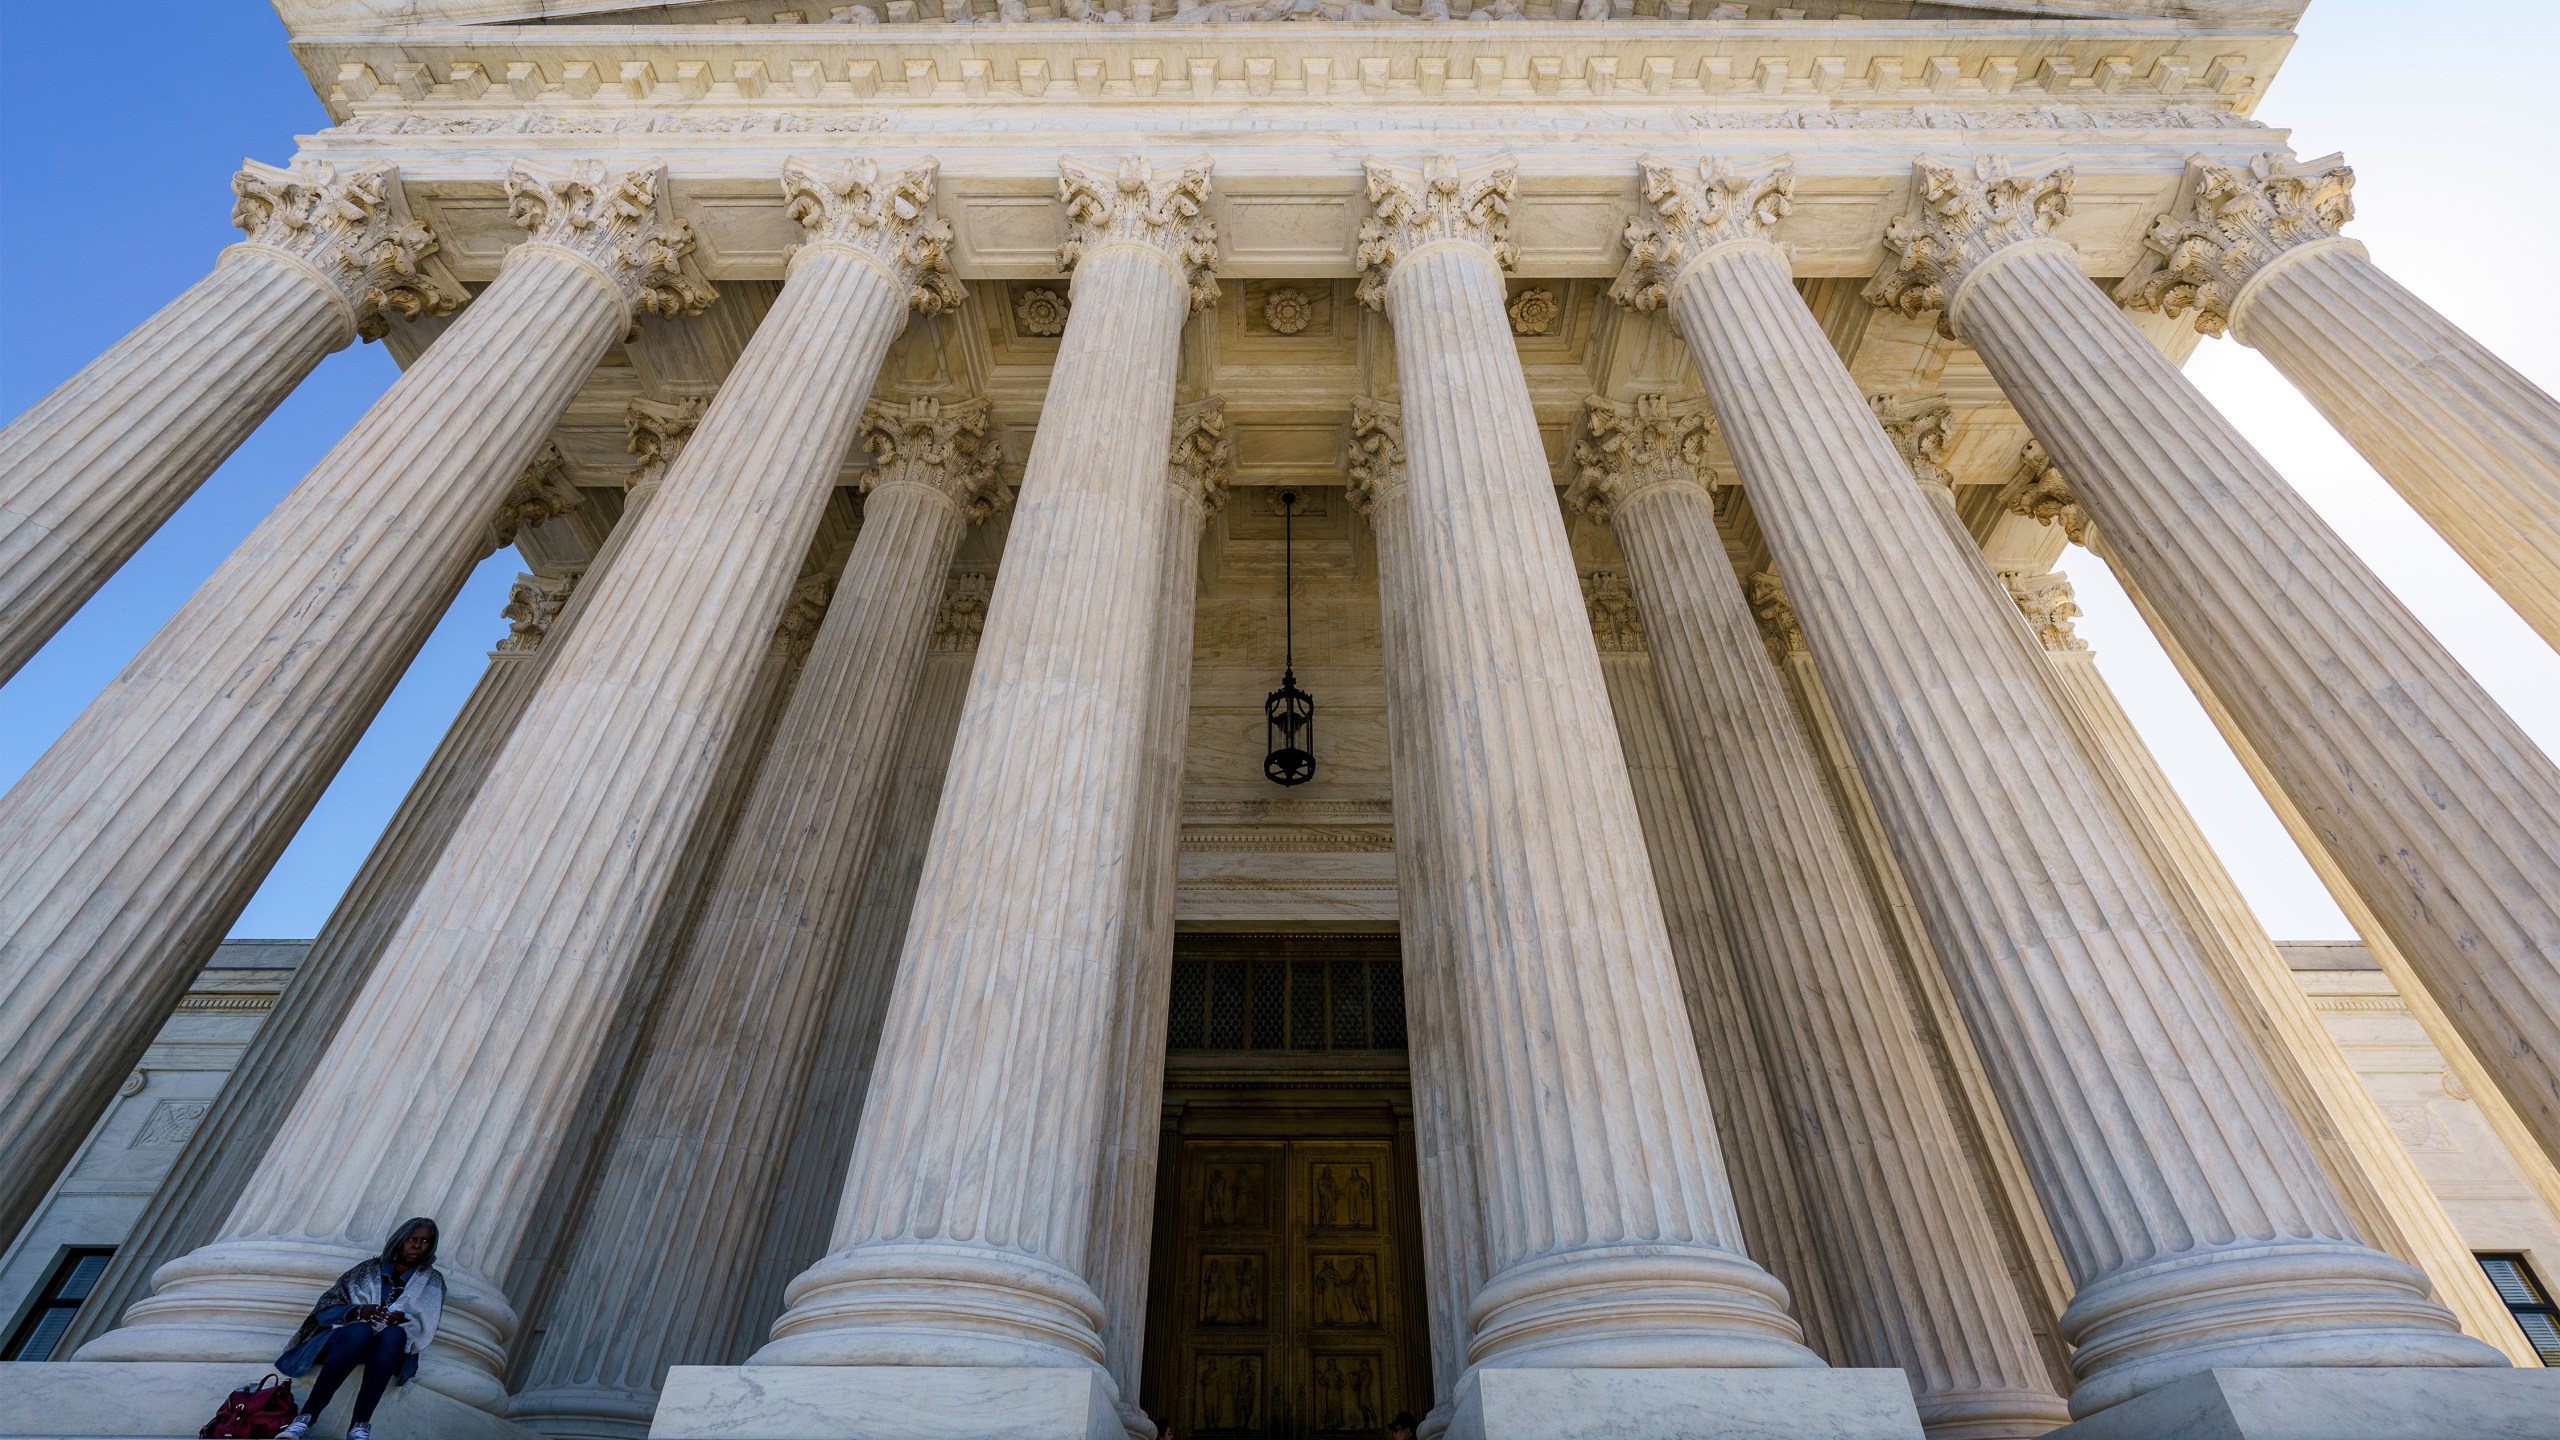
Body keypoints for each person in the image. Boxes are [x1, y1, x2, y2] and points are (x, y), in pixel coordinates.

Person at [271, 1218, 446, 1440]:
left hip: (389, 1348)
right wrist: (357, 1312)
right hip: (346, 1341)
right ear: (400, 1240)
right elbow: (323, 1310)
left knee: (394, 1335)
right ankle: (305, 1419)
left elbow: (426, 1324)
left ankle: (359, 1427)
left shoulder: (432, 1281)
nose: (418, 1245)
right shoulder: (367, 1270)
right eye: (412, 1239)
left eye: (425, 1241)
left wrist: (405, 1321)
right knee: (360, 1331)